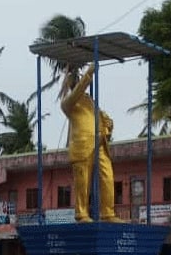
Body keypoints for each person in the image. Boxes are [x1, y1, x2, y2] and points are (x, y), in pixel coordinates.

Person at [60, 64, 122, 223]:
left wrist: (108, 125)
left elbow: (102, 119)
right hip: (82, 146)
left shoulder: (90, 101)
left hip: (99, 142)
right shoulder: (68, 103)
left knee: (108, 176)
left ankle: (108, 213)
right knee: (83, 183)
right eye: (75, 78)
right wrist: (90, 72)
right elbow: (79, 89)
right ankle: (82, 214)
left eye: (78, 77)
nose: (78, 79)